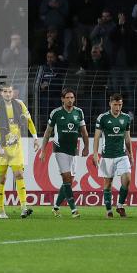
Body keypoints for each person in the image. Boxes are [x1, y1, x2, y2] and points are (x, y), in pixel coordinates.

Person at [0, 84, 38, 219]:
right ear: (1, 93)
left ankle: (24, 207)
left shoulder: (20, 105)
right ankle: (1, 211)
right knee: (2, 179)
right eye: (5, 91)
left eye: (10, 91)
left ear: (13, 92)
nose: (8, 94)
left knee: (19, 175)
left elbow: (29, 122)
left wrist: (35, 138)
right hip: (2, 149)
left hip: (16, 149)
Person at [37, 88, 90, 218]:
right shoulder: (56, 113)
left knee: (69, 181)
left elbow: (84, 132)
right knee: (66, 178)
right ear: (62, 99)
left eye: (72, 98)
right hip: (59, 149)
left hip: (73, 150)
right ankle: (74, 210)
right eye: (67, 98)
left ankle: (55, 207)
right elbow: (48, 133)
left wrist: (86, 147)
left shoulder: (79, 112)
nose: (70, 100)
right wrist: (43, 150)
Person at [93, 94, 134, 218]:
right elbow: (96, 137)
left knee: (127, 180)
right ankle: (108, 210)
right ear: (110, 103)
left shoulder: (126, 118)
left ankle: (120, 206)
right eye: (115, 104)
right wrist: (95, 154)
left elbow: (127, 137)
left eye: (120, 104)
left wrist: (131, 154)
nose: (118, 107)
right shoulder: (103, 118)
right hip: (107, 156)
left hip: (122, 155)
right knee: (108, 184)